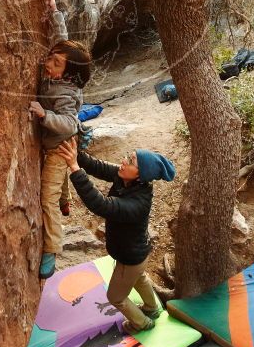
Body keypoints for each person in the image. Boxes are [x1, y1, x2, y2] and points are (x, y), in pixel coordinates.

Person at [56, 138, 176, 335]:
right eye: (129, 156)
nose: (124, 161)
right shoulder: (127, 178)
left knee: (116, 297)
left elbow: (101, 204)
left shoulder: (138, 204)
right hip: (139, 254)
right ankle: (152, 308)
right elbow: (99, 167)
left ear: (141, 176)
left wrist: (75, 169)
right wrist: (76, 153)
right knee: (140, 278)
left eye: (131, 161)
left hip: (130, 259)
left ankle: (142, 323)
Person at [29, 0, 92, 279]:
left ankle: (52, 249)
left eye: (55, 64)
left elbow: (68, 123)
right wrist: (55, 13)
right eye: (51, 60)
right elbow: (61, 41)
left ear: (68, 73)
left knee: (46, 199)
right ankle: (66, 198)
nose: (48, 64)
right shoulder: (63, 67)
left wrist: (44, 115)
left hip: (59, 149)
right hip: (61, 144)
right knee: (58, 187)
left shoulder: (66, 92)